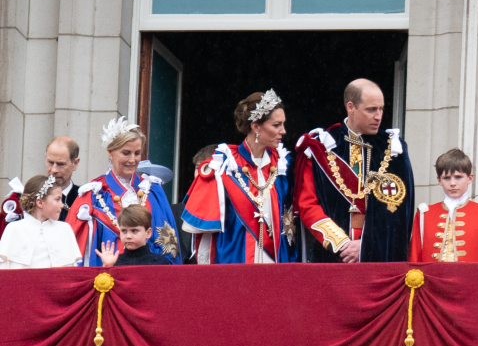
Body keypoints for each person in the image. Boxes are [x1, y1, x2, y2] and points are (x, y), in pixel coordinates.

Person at [294, 79, 415, 263]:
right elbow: (308, 205)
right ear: (351, 107)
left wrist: (367, 246)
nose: (378, 116)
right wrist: (342, 244)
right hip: (333, 257)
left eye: (381, 109)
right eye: (371, 109)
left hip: (379, 258)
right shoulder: (323, 147)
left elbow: (398, 212)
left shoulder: (394, 149)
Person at [182, 90, 298, 264]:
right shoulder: (225, 164)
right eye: (276, 125)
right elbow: (205, 233)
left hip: (274, 263)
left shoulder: (282, 164)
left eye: (283, 124)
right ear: (256, 126)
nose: (283, 131)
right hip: (234, 262)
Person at [67, 116, 181, 266]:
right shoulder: (92, 196)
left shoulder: (153, 191)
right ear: (111, 152)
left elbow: (169, 245)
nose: (133, 160)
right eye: (126, 153)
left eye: (137, 153)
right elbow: (73, 250)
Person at [409, 149, 478, 262]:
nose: (452, 183)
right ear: (439, 180)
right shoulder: (425, 214)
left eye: (458, 177)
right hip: (432, 278)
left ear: (470, 178)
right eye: (446, 178)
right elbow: (415, 256)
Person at [0, 175, 81, 269]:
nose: (62, 205)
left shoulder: (65, 229)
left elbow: (71, 272)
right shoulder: (14, 228)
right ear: (40, 203)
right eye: (57, 199)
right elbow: (3, 271)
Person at [95, 205, 171, 266]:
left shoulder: (160, 262)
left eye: (134, 231)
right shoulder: (115, 262)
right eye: (124, 231)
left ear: (148, 233)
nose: (128, 236)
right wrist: (107, 266)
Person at [45, 137, 82, 220]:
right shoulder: (31, 196)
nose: (54, 170)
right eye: (50, 162)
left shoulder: (84, 199)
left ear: (75, 163)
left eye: (61, 164)